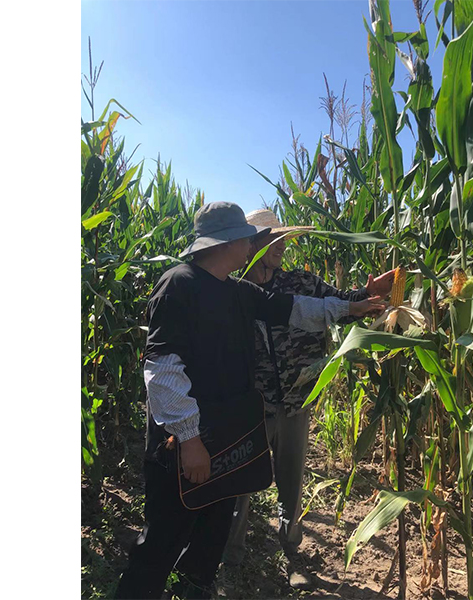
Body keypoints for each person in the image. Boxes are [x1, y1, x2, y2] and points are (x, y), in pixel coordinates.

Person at [114, 202, 384, 600]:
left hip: (226, 439)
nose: (252, 245)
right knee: (163, 537)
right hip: (184, 445)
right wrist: (190, 439)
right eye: (248, 239)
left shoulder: (238, 291)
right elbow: (163, 369)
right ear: (229, 243)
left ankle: (195, 589)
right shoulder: (180, 284)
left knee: (211, 535)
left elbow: (296, 309)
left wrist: (352, 306)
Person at [222, 209, 394, 589]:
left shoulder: (301, 281)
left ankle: (292, 554)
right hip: (252, 405)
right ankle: (230, 557)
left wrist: (369, 293)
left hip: (296, 401)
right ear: (253, 244)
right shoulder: (234, 292)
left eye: (285, 239)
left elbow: (342, 303)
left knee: (291, 483)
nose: (283, 246)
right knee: (240, 484)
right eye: (275, 239)